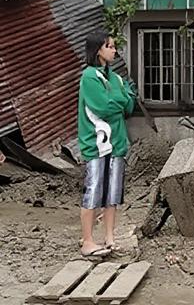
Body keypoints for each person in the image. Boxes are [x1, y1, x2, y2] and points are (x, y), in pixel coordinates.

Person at [77, 30, 135, 257]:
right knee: (93, 191)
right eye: (110, 46)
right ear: (98, 50)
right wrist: (121, 98)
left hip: (118, 142)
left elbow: (129, 106)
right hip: (97, 143)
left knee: (113, 194)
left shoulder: (116, 78)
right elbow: (103, 107)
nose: (114, 50)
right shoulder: (89, 76)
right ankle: (88, 241)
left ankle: (110, 238)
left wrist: (119, 99)